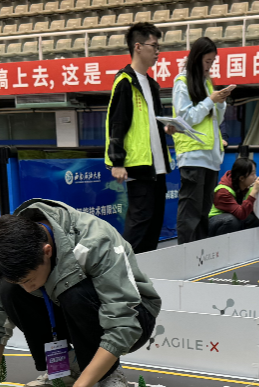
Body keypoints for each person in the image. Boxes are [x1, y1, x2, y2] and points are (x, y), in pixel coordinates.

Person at [0, 200, 161, 387]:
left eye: (28, 279)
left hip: (135, 316)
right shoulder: (7, 251)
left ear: (47, 251)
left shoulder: (95, 240)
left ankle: (109, 375)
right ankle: (65, 369)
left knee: (74, 292)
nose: (27, 288)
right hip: (67, 311)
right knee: (9, 290)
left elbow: (124, 324)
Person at [106, 22, 175, 254]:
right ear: (138, 47)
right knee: (139, 225)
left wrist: (166, 128)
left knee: (154, 225)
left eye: (158, 47)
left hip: (158, 167)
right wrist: (117, 162)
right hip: (139, 166)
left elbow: (149, 123)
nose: (157, 51)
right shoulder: (125, 82)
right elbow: (116, 123)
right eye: (154, 46)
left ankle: (145, 270)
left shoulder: (152, 85)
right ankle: (125, 269)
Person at [172, 37, 232, 244]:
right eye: (207, 61)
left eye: (212, 62)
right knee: (191, 211)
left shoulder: (207, 82)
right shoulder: (182, 82)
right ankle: (185, 253)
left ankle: (199, 252)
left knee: (204, 211)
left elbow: (216, 120)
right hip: (193, 154)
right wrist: (210, 100)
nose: (209, 66)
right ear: (196, 58)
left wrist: (220, 103)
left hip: (210, 156)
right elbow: (186, 118)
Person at [208, 158, 259, 237]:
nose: (255, 177)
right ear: (241, 178)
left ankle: (242, 242)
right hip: (213, 224)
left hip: (230, 220)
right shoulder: (223, 191)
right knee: (231, 220)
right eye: (252, 174)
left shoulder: (247, 188)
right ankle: (219, 244)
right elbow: (241, 214)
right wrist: (253, 193)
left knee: (255, 219)